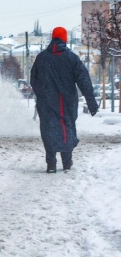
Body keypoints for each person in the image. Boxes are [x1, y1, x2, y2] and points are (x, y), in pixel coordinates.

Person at [30, 27, 98, 173]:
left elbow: (33, 80)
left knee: (48, 129)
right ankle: (67, 162)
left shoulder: (41, 58)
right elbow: (84, 80)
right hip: (67, 102)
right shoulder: (71, 58)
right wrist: (91, 102)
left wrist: (42, 94)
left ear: (52, 38)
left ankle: (51, 163)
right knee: (66, 127)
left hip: (46, 102)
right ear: (64, 39)